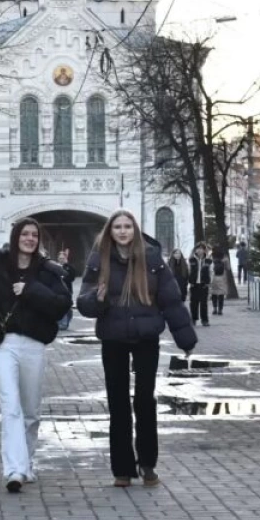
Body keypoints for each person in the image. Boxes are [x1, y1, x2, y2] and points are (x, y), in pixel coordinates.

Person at [78, 209, 198, 488]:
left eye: (127, 227)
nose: (122, 231)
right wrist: (97, 299)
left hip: (146, 338)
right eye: (117, 227)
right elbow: (83, 302)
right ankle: (122, 468)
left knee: (145, 400)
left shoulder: (152, 259)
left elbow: (171, 299)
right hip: (113, 339)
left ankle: (147, 464)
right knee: (118, 403)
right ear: (110, 231)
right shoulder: (99, 259)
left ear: (134, 230)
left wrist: (186, 339)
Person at [0, 218, 71, 493]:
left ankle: (26, 462)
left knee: (31, 411)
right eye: (25, 234)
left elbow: (61, 306)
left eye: (35, 235)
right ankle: (14, 469)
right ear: (15, 237)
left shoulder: (47, 271)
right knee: (10, 406)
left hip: (34, 344)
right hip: (5, 344)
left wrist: (31, 291)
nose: (30, 239)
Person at [188, 243, 212, 327]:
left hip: (204, 284)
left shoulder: (208, 260)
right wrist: (190, 282)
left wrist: (209, 283)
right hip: (194, 285)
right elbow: (189, 271)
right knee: (193, 303)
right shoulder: (191, 259)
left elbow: (211, 272)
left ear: (204, 250)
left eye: (202, 249)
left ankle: (204, 320)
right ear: (195, 250)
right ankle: (193, 319)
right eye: (198, 248)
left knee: (204, 303)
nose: (200, 250)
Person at [56, 248, 76, 331]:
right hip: (58, 292)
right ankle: (62, 324)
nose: (61, 260)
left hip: (67, 291)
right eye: (60, 258)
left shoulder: (68, 267)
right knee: (60, 307)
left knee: (68, 309)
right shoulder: (55, 267)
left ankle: (66, 322)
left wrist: (64, 277)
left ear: (66, 258)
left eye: (63, 258)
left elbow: (72, 277)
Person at [209, 247, 229, 316]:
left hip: (213, 277)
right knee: (221, 294)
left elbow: (208, 266)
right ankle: (220, 310)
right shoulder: (225, 257)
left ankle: (214, 309)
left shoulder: (211, 256)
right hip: (222, 277)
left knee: (214, 293)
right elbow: (228, 268)